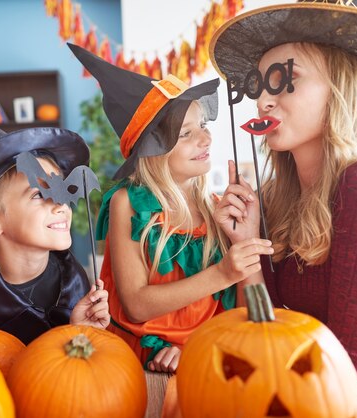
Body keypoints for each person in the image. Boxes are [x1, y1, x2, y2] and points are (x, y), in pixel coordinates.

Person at [211, 0, 357, 381]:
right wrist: (246, 243)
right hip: (304, 384)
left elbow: (347, 363)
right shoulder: (275, 200)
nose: (263, 100)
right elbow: (271, 330)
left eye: (283, 79)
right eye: (259, 84)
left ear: (339, 88)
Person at [68, 43, 273, 373]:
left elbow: (257, 316)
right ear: (153, 152)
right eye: (186, 134)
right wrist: (223, 272)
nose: (205, 140)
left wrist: (245, 242)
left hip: (208, 352)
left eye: (203, 126)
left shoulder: (216, 208)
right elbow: (136, 305)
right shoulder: (129, 204)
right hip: (143, 361)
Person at [0, 100, 110, 344]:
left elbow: (68, 369)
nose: (60, 205)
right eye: (38, 194)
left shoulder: (72, 277)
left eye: (60, 189)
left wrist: (80, 331)